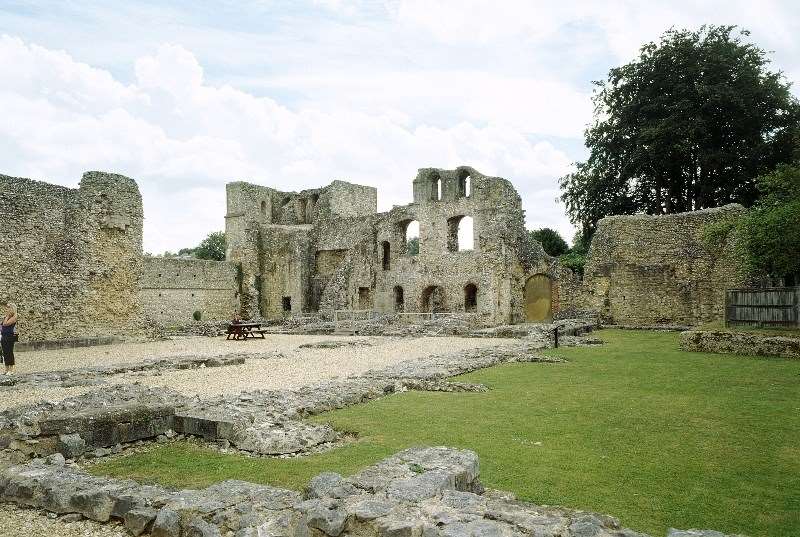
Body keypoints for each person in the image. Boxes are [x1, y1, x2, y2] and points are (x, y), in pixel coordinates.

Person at [1, 303, 18, 375]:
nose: (6, 309)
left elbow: (5, 324)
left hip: (9, 336)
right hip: (4, 336)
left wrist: (7, 316)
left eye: (8, 308)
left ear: (12, 309)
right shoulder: (6, 317)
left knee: (9, 352)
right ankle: (6, 369)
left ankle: (11, 370)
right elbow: (2, 324)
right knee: (5, 353)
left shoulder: (14, 317)